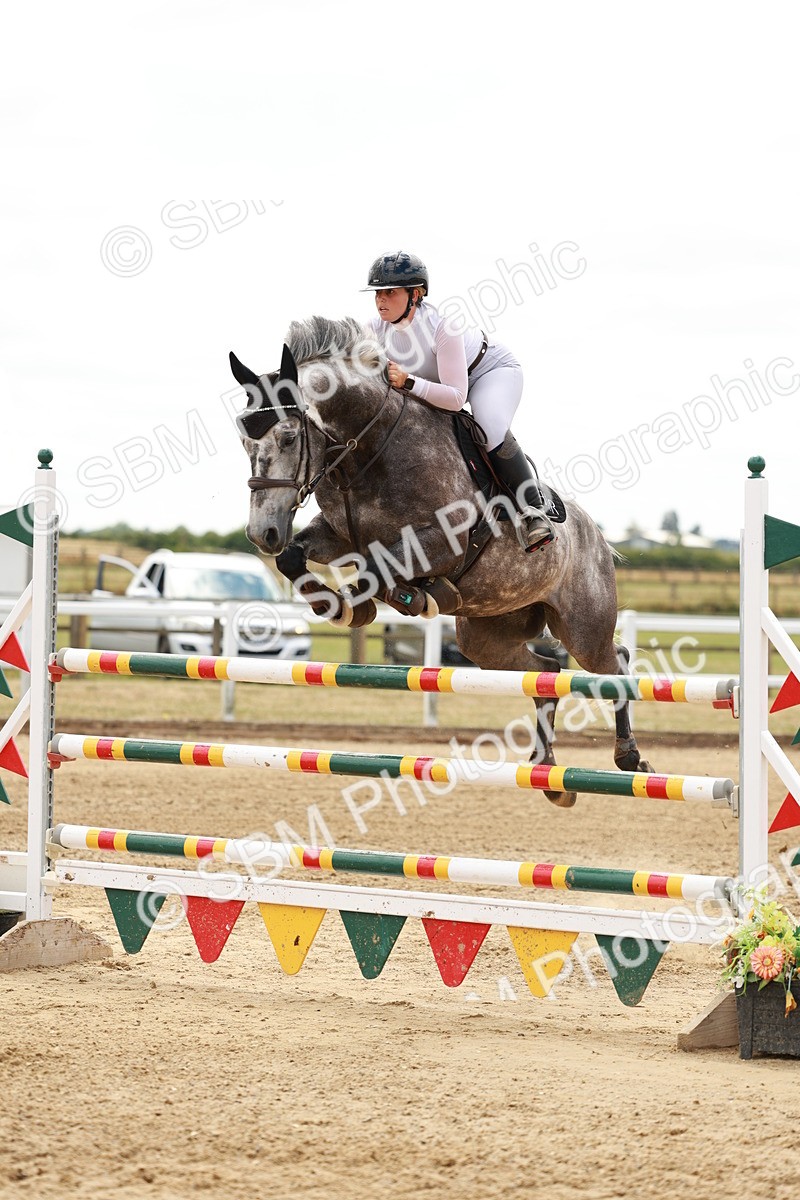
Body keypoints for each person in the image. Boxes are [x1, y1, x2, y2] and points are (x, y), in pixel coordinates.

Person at [363, 250, 555, 552]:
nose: (380, 300)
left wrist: (408, 381)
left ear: (415, 295)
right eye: (377, 293)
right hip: (442, 384)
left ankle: (534, 510)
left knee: (488, 426)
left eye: (390, 292)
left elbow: (455, 399)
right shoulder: (374, 330)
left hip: (488, 372)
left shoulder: (442, 326)